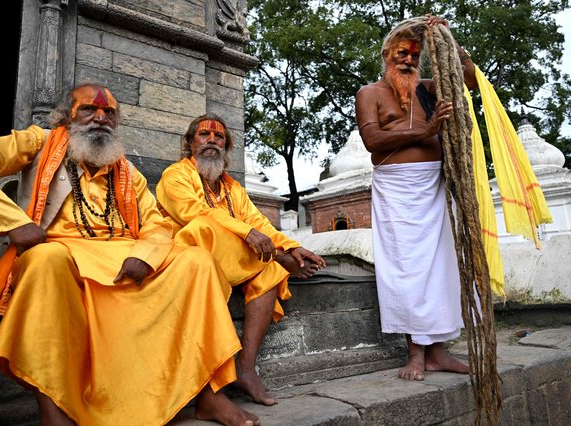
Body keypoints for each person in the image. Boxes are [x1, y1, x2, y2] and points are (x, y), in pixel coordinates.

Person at [0, 83, 260, 426]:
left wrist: (145, 256)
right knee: (45, 261)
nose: (100, 118)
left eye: (109, 113)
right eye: (89, 110)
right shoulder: (39, 142)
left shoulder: (126, 171)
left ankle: (210, 396)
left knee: (197, 262)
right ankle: (54, 411)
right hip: (62, 251)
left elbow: (156, 224)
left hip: (123, 256)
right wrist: (12, 223)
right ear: (66, 116)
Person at [156, 114, 326, 406]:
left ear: (226, 146)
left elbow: (260, 222)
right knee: (204, 227)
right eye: (204, 135)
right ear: (189, 143)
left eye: (218, 137)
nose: (211, 141)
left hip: (227, 260)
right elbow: (194, 214)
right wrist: (249, 233)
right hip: (186, 257)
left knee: (269, 270)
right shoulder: (176, 175)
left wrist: (290, 246)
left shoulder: (233, 188)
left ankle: (246, 368)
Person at [354, 15, 477, 381]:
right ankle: (415, 354)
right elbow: (373, 142)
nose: (407, 60)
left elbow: (469, 82)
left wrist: (449, 43)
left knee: (441, 268)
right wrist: (427, 130)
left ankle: (438, 352)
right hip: (396, 189)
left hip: (434, 187)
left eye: (414, 55)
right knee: (406, 268)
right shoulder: (369, 93)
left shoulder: (427, 87)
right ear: (385, 56)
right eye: (400, 54)